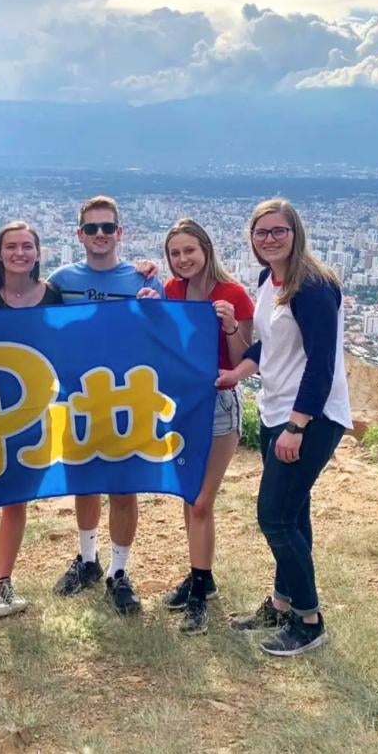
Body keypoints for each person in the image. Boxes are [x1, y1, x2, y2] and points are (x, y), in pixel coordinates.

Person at [217, 199, 351, 656]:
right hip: (277, 410)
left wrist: (297, 425)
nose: (270, 238)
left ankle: (309, 620)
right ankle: (282, 602)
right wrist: (239, 372)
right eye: (262, 232)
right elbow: (267, 345)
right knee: (293, 513)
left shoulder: (313, 287)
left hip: (310, 416)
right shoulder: (267, 281)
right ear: (252, 239)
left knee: (273, 515)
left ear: (296, 233)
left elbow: (321, 365)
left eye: (279, 231)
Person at [48, 195, 163, 615]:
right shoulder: (60, 281)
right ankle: (88, 559)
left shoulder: (142, 280)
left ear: (120, 233)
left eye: (107, 228)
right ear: (80, 234)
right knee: (84, 481)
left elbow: (165, 331)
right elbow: (30, 321)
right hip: (77, 396)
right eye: (92, 228)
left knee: (123, 487)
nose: (100, 235)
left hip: (126, 397)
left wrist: (157, 307)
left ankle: (118, 570)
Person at [0, 221, 63, 619]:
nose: (19, 253)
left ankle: (6, 578)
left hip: (35, 413)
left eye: (27, 246)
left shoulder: (52, 297)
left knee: (18, 501)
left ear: (38, 253)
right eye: (11, 247)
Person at [161, 218, 254, 635]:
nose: (183, 260)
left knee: (201, 501)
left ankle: (199, 593)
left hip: (218, 403)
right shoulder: (171, 291)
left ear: (206, 250)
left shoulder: (232, 293)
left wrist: (231, 325)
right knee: (189, 496)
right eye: (175, 253)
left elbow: (242, 360)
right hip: (182, 404)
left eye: (189, 251)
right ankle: (203, 576)